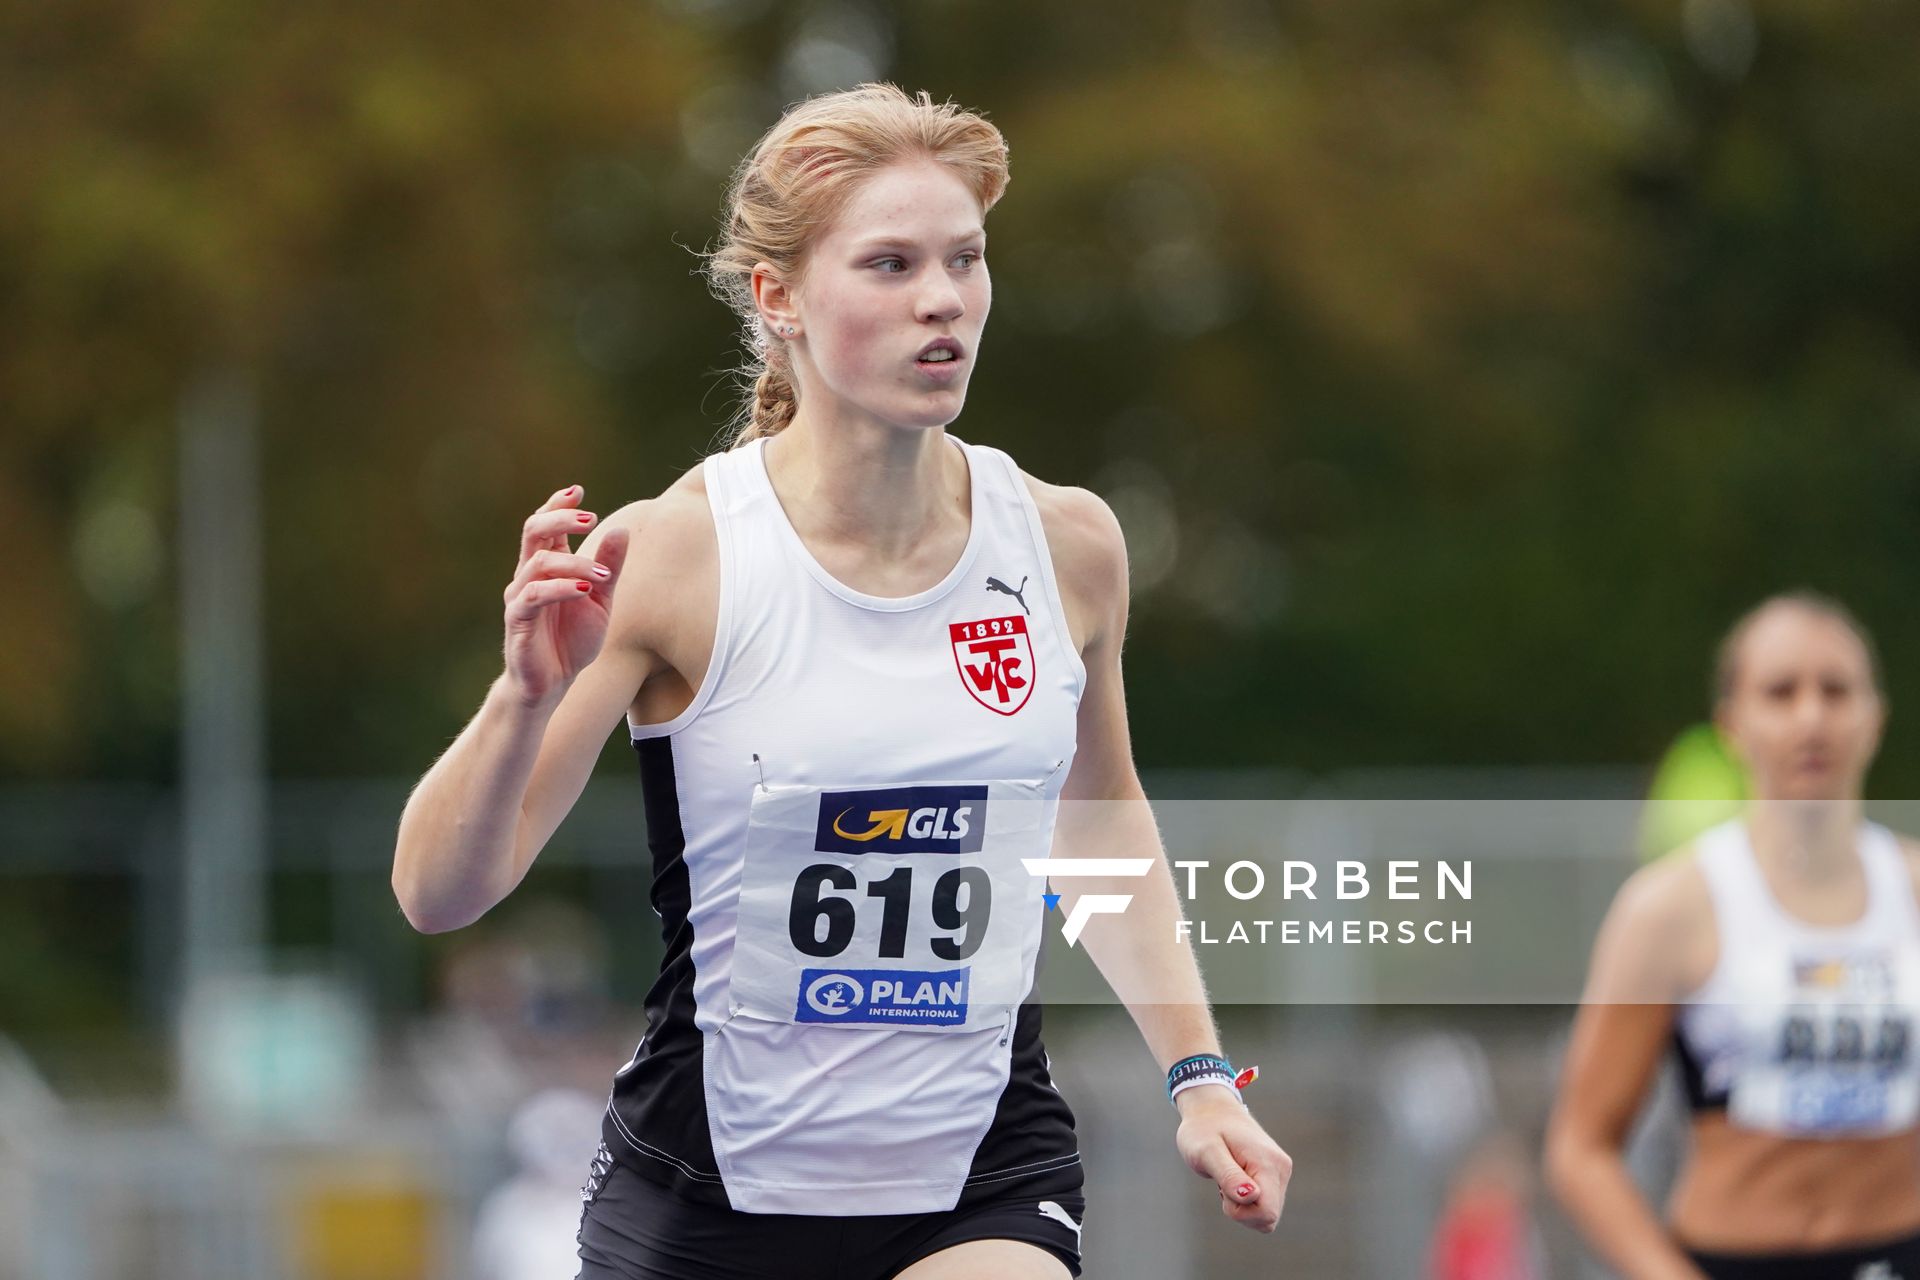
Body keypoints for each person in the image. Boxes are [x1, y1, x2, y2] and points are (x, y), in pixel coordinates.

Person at [391, 82, 1290, 1280]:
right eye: (890, 263)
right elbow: (439, 894)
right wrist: (523, 699)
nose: (943, 301)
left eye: (965, 260)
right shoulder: (673, 556)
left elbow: (1098, 818)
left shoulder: (1067, 547)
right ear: (780, 300)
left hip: (979, 1174)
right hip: (709, 1192)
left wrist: (1198, 1076)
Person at [1545, 593, 1920, 1279]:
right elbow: (1581, 1146)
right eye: (1781, 692)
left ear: (1875, 717)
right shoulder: (1671, 910)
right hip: (1732, 1260)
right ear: (1732, 723)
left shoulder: (1914, 890)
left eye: (1836, 691)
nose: (1812, 717)